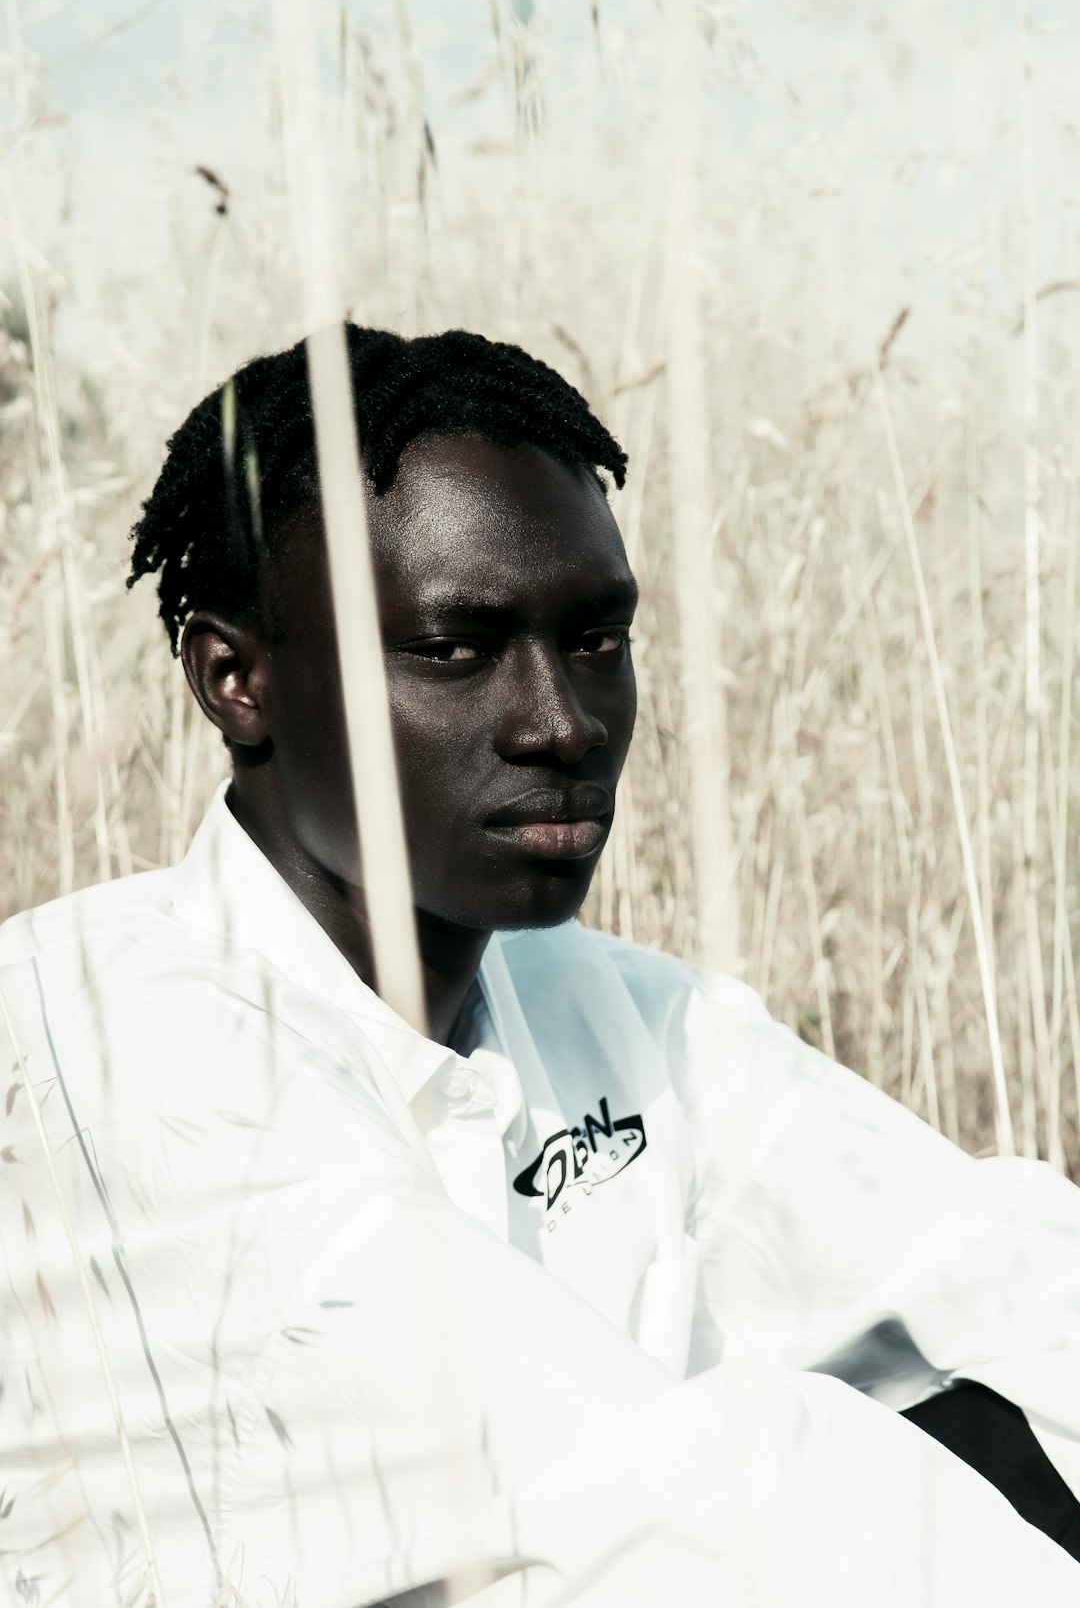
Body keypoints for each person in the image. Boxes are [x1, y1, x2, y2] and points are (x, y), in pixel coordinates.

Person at [1, 326, 1079, 1608]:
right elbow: (697, 1503)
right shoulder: (106, 1048)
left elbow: (1004, 1264)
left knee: (972, 1409)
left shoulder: (603, 1003)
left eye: (597, 638)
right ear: (236, 678)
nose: (560, 721)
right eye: (455, 649)